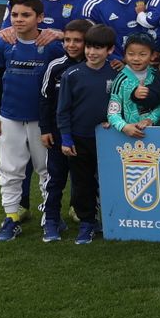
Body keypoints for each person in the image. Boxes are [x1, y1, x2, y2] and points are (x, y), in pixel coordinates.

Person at [0, 0, 63, 241]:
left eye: (25, 15)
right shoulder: (3, 43)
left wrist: (60, 34)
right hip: (9, 116)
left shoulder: (53, 46)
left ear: (40, 18)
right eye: (15, 15)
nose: (19, 20)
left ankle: (50, 217)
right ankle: (11, 217)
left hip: (41, 121)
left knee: (46, 170)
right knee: (10, 169)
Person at [56, 23, 119, 247]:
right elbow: (63, 110)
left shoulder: (116, 74)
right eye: (89, 47)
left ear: (110, 50)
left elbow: (121, 104)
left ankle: (111, 220)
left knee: (108, 181)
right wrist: (66, 138)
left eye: (99, 48)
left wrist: (113, 121)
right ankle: (87, 223)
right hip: (79, 138)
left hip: (107, 139)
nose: (92, 52)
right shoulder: (71, 75)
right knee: (82, 183)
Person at [38, 17, 91, 242]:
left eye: (77, 40)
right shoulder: (56, 66)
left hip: (86, 136)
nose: (71, 45)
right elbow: (44, 99)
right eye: (67, 40)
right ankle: (51, 220)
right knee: (56, 179)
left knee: (85, 180)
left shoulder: (96, 66)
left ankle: (87, 219)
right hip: (59, 135)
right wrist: (45, 128)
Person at [108, 33, 160, 137]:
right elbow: (113, 112)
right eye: (131, 54)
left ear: (153, 55)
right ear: (124, 55)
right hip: (129, 137)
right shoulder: (120, 80)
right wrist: (124, 127)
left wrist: (151, 120)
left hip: (157, 134)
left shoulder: (156, 75)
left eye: (142, 54)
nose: (136, 58)